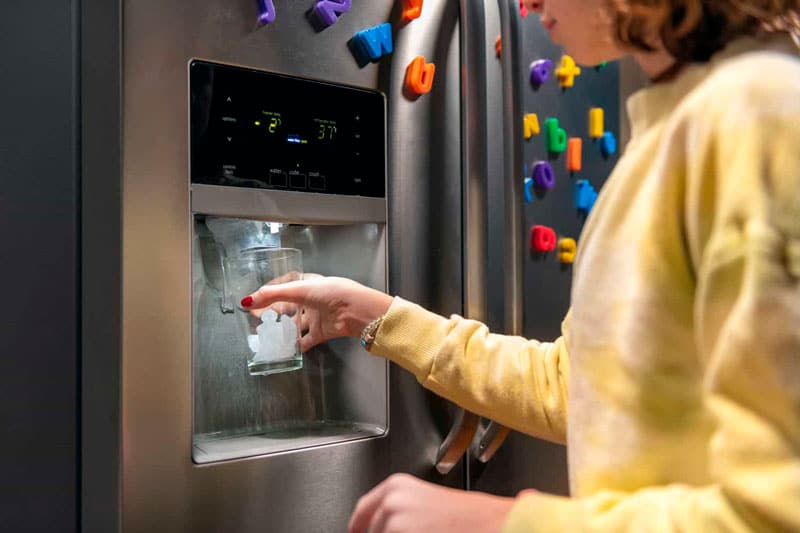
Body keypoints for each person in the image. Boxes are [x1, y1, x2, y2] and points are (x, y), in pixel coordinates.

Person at [242, 0, 800, 529]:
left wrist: (509, 523)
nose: (524, 3)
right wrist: (372, 315)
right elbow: (574, 387)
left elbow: (779, 512)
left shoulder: (757, 119)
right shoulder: (683, 122)